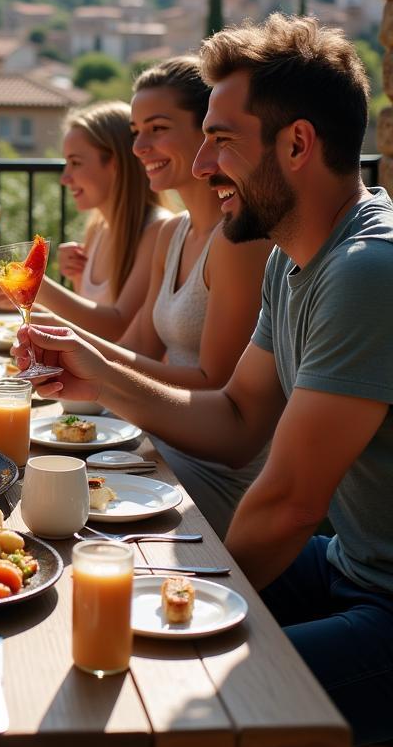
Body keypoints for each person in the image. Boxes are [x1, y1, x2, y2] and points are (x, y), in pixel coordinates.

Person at [16, 15, 393, 747]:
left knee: (178, 705)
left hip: (387, 605)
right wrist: (100, 375)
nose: (198, 164)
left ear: (296, 145)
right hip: (355, 568)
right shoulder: (298, 259)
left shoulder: (365, 270)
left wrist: (178, 611)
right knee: (123, 572)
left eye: (219, 140)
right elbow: (234, 420)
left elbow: (288, 503)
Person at [23, 59, 272, 535]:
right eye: (136, 131)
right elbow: (134, 349)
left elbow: (214, 385)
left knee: (51, 501)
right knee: (34, 484)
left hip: (209, 474)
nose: (139, 147)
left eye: (157, 129)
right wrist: (58, 336)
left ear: (208, 132)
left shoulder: (240, 241)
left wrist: (92, 363)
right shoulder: (172, 234)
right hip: (152, 446)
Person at [0, 100, 168, 340]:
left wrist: (35, 283)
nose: (65, 178)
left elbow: (116, 327)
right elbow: (89, 324)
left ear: (116, 164)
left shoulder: (158, 230)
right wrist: (25, 301)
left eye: (76, 163)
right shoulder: (98, 226)